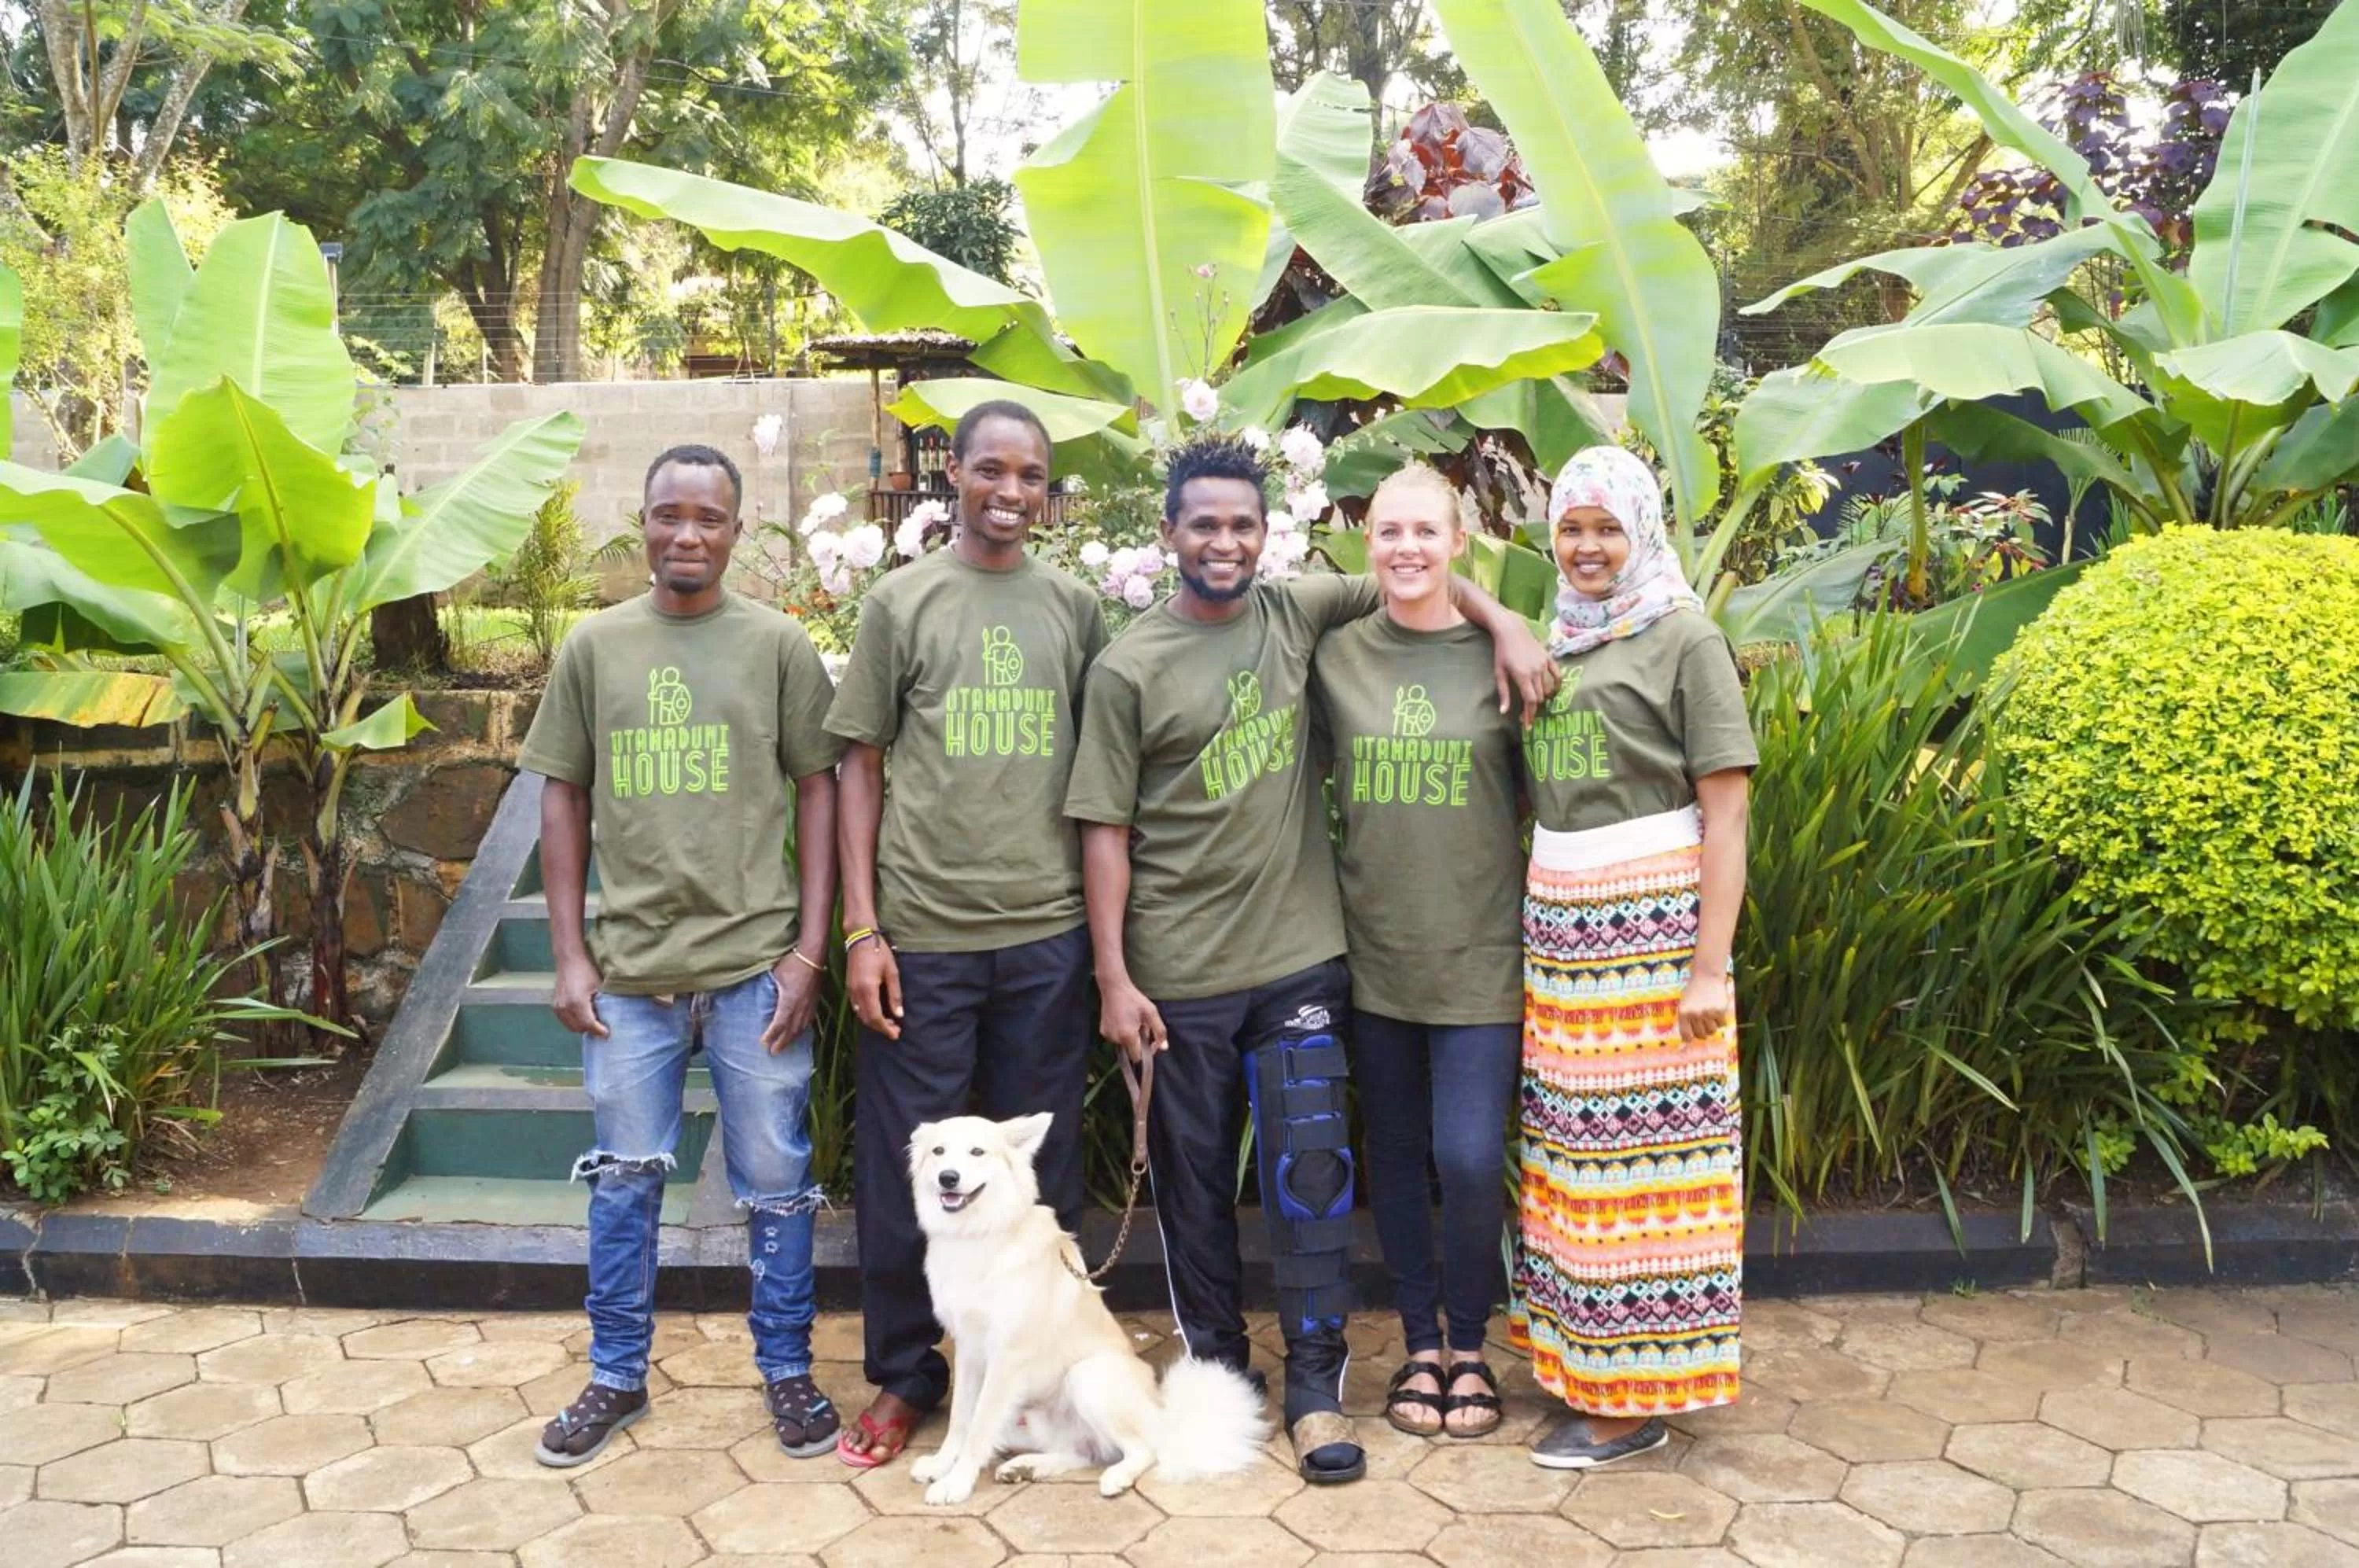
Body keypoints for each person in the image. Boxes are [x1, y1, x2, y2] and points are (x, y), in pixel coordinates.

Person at [1064, 432, 1555, 1485]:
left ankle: (1319, 1389)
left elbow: (1415, 569)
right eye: (1204, 523)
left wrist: (1507, 616)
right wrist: (1113, 975)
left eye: (1243, 523)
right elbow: (1102, 826)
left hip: (1301, 963)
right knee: (1195, 1191)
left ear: (1266, 535)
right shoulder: (1128, 667)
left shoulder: (1296, 612)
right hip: (1180, 973)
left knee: (1313, 1178)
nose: (1225, 541)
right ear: (1170, 534)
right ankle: (1221, 1381)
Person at [520, 444, 844, 1468]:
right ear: (645, 522)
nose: (688, 533)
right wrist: (570, 954)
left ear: (737, 530)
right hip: (631, 982)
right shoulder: (596, 647)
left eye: (709, 516)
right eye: (669, 514)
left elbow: (820, 791)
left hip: (755, 973)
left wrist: (808, 953)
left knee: (778, 1182)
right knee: (622, 1182)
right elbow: (561, 793)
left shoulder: (779, 646)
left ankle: (787, 1368)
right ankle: (616, 1373)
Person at [825, 399, 1109, 1469]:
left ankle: (1035, 1378)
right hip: (925, 940)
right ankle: (907, 1374)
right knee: (915, 1183)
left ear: (1046, 488)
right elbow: (859, 762)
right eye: (991, 468)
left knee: (1039, 1181)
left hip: (1046, 936)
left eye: (1029, 474)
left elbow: (1101, 774)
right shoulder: (903, 603)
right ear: (954, 473)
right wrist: (863, 927)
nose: (1010, 489)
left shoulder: (1075, 610)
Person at [1511, 445, 1754, 1471]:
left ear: (1643, 532)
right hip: (1562, 941)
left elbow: (1729, 812)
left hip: (1652, 938)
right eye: (1572, 527)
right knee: (1570, 1165)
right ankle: (1582, 1367)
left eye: (1609, 527)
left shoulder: (1683, 638)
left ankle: (1634, 1402)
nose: (1589, 547)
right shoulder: (1554, 645)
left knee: (1640, 1174)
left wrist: (1712, 966)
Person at [1309, 464, 1523, 1441]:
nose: (1405, 549)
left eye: (1425, 532)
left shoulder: (1503, 657)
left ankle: (1471, 1340)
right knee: (1393, 1157)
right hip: (1373, 955)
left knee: (1470, 1157)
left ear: (1459, 543)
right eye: (1388, 530)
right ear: (1365, 539)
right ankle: (1421, 1341)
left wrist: (1505, 621)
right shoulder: (1337, 655)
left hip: (1480, 953)